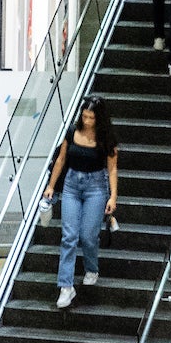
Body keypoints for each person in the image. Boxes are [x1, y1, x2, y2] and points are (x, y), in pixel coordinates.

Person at [43, 98, 118, 311]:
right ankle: (65, 286)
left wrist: (113, 197)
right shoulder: (72, 132)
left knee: (87, 235)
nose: (87, 121)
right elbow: (60, 160)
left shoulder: (107, 139)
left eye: (91, 118)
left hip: (96, 186)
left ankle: (91, 268)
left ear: (99, 118)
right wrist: (51, 186)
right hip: (71, 185)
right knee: (68, 236)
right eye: (84, 116)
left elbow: (112, 169)